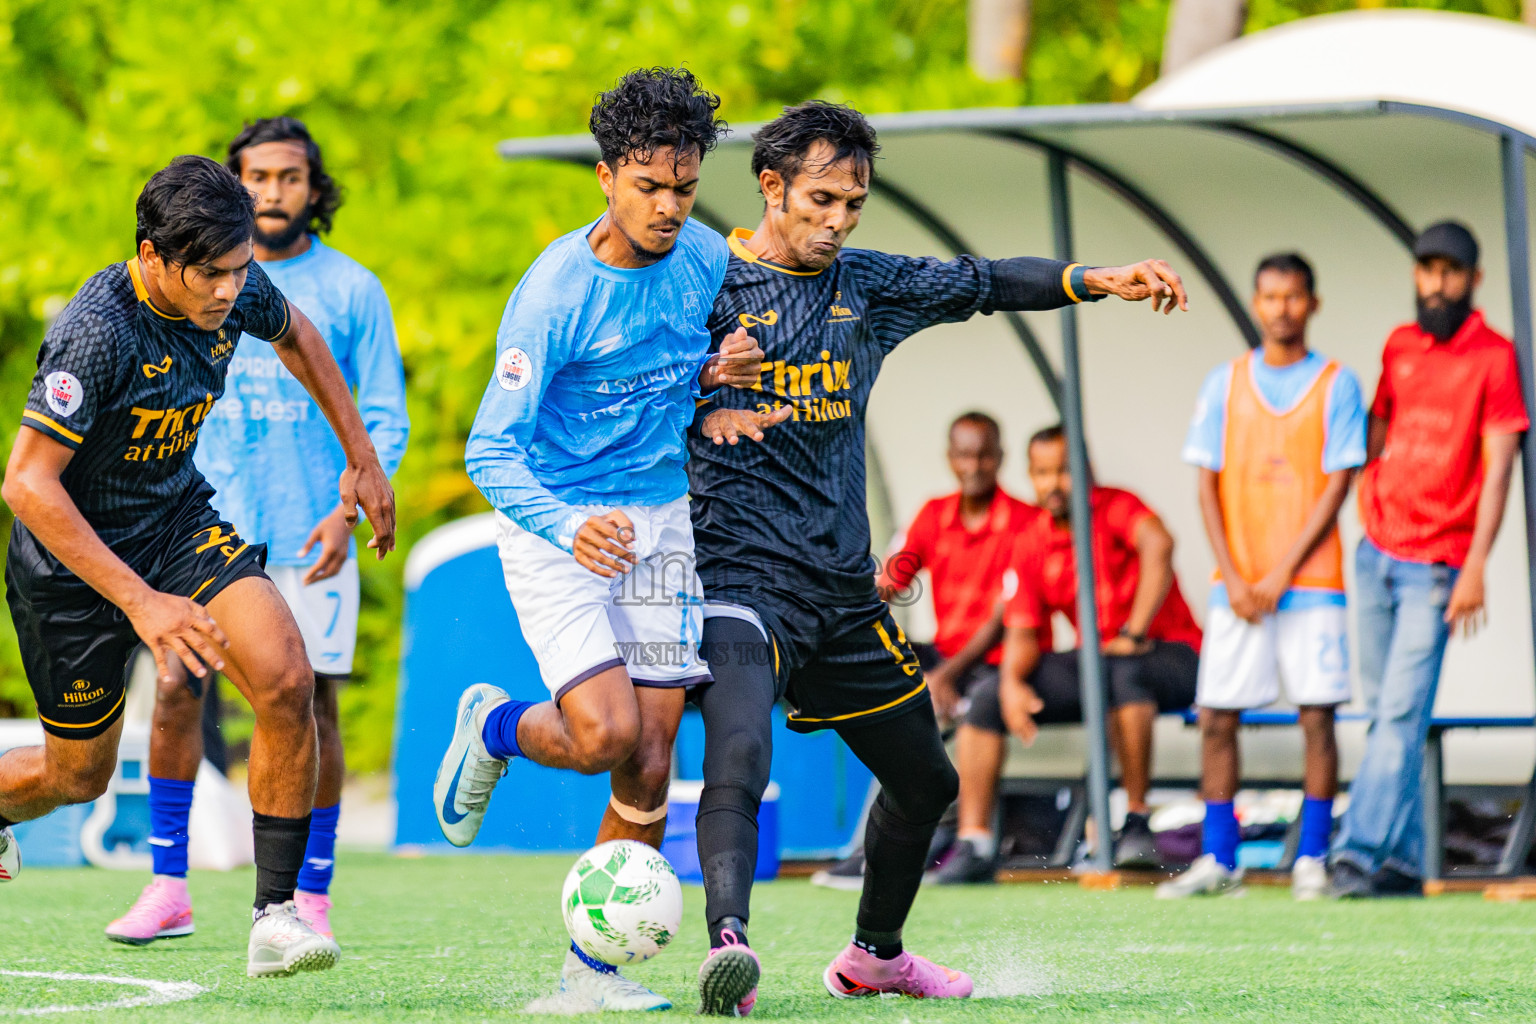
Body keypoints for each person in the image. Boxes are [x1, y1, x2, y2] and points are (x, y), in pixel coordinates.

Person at [685, 100, 1189, 1014]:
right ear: (772, 187)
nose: (839, 221)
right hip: (738, 582)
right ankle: (731, 945)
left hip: (840, 592)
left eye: (854, 204)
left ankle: (876, 955)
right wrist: (701, 386)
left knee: (928, 781)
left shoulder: (866, 286)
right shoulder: (699, 283)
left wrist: (1096, 278)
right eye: (822, 199)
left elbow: (987, 280)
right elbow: (621, 389)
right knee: (742, 752)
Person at [0, 155, 396, 979]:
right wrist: (142, 604)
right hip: (71, 562)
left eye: (239, 270)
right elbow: (27, 485)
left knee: (288, 678)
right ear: (153, 258)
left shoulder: (234, 278)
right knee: (79, 776)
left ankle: (276, 917)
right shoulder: (96, 331)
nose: (228, 292)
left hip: (176, 521)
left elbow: (301, 339)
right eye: (210, 275)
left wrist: (360, 458)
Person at [431, 68, 768, 1012]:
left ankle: (593, 974)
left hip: (659, 525)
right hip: (557, 525)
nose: (668, 207)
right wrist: (571, 526)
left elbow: (700, 370)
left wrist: (723, 369)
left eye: (684, 186)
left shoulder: (706, 258)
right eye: (649, 186)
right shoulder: (552, 296)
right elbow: (488, 451)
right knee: (604, 735)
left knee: (654, 755)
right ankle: (496, 726)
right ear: (607, 178)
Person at [102, 118, 409, 946]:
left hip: (314, 536)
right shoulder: (193, 285)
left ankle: (308, 897)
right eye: (259, 177)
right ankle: (169, 885)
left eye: (291, 176)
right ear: (237, 190)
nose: (275, 191)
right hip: (202, 526)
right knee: (174, 687)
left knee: (312, 702)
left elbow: (381, 415)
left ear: (315, 188)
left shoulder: (352, 290)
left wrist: (347, 507)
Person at [1330, 222, 1528, 898]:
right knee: (1388, 710)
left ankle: (1355, 853)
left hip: (1439, 563)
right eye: (1426, 270)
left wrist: (1476, 566)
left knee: (1398, 713)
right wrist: (1367, 492)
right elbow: (1381, 423)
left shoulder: (1497, 356)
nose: (1436, 284)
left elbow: (1499, 470)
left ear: (1473, 280)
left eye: (1450, 272)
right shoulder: (1400, 343)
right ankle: (1406, 862)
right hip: (1377, 550)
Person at [1160, 253, 1365, 901]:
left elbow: (1337, 487)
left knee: (1316, 721)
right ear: (1255, 303)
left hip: (1310, 585)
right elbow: (1205, 486)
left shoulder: (1338, 384)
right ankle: (1220, 860)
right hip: (1239, 588)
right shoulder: (1224, 383)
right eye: (1270, 297)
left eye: (1293, 297)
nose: (1281, 308)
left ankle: (1311, 858)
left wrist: (1278, 573)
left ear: (1313, 303)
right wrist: (1240, 573)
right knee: (1217, 717)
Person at [939, 425, 1203, 884]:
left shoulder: (1117, 506)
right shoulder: (1031, 539)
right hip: (1098, 661)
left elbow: (1159, 545)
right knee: (985, 696)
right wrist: (1013, 684)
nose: (1053, 483)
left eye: (1063, 471)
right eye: (1042, 473)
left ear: (1087, 471)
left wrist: (1134, 630)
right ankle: (974, 843)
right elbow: (1021, 629)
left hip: (1173, 655)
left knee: (1123, 671)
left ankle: (1136, 823)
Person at [811, 410, 1033, 891]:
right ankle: (872, 847)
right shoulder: (934, 514)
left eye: (983, 455)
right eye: (963, 455)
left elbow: (1004, 618)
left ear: (999, 458)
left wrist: (944, 676)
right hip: (947, 658)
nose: (973, 465)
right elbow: (889, 580)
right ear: (950, 458)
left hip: (1003, 661)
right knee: (882, 683)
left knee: (981, 697)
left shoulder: (1023, 521)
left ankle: (972, 844)